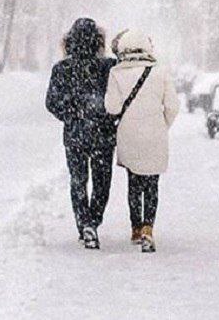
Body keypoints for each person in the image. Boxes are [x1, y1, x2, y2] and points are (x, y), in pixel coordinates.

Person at [105, 29, 179, 253]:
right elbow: (173, 106)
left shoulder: (116, 73)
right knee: (152, 183)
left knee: (134, 182)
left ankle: (136, 228)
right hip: (155, 134)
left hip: (128, 134)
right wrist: (162, 125)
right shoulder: (160, 72)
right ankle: (148, 227)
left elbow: (112, 108)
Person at [45, 18, 116, 249]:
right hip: (103, 135)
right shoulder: (109, 67)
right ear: (98, 40)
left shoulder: (62, 69)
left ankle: (83, 223)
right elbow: (118, 99)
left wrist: (71, 115)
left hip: (75, 135)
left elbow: (51, 102)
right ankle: (93, 221)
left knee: (78, 181)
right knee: (102, 182)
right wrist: (107, 116)